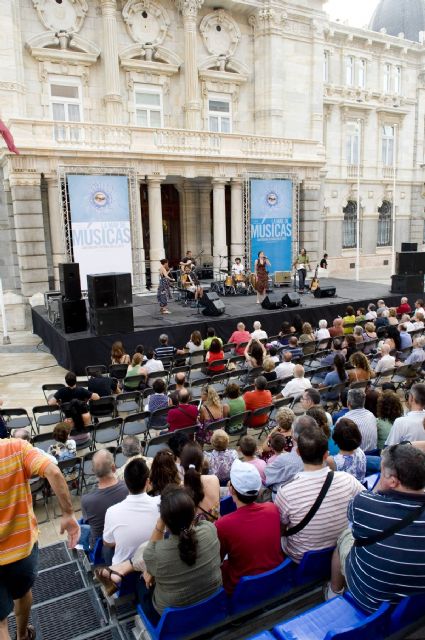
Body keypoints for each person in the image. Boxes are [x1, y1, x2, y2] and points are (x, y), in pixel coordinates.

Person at [99, 486, 222, 624]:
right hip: (212, 604)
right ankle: (124, 568)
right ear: (193, 512)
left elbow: (150, 551)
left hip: (171, 619)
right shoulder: (210, 530)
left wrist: (159, 524)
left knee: (141, 581)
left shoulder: (157, 553)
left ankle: (123, 569)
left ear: (165, 522)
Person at [327, 444, 425, 609]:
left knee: (345, 535)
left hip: (370, 598)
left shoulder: (364, 503)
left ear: (393, 481)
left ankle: (334, 591)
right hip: (415, 602)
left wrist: (381, 486)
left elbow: (362, 507)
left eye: (382, 472)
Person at [0, 438, 80, 640]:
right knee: (23, 592)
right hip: (23, 549)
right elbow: (53, 471)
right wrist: (68, 514)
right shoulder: (15, 447)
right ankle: (22, 635)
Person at [275, 418, 364, 563]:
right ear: (326, 455)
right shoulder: (348, 480)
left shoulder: (285, 492)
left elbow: (280, 529)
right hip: (339, 549)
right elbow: (366, 502)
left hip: (301, 558)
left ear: (298, 452)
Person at [215, 459, 284, 594]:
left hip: (243, 589)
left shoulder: (223, 524)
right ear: (258, 491)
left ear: (231, 490)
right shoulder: (272, 509)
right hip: (276, 579)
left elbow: (218, 560)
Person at [102, 458, 160, 565]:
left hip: (124, 571)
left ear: (125, 481)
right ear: (147, 482)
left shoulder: (112, 512)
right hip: (154, 563)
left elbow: (108, 542)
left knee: (105, 548)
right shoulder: (161, 503)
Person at [81, 449, 128, 552]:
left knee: (79, 527)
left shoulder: (86, 500)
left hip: (102, 549)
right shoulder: (129, 488)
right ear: (114, 467)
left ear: (93, 471)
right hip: (126, 539)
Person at [181, 441, 220, 523]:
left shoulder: (179, 489)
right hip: (215, 529)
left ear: (183, 465)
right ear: (202, 463)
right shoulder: (214, 479)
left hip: (192, 534)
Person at [264, 431, 303, 500]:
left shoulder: (271, 460)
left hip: (280, 490)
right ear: (285, 445)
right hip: (292, 488)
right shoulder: (291, 456)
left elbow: (268, 476)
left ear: (272, 448)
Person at [327, 418, 366, 483]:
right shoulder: (360, 452)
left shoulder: (331, 461)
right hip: (360, 489)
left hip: (344, 492)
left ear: (336, 437)